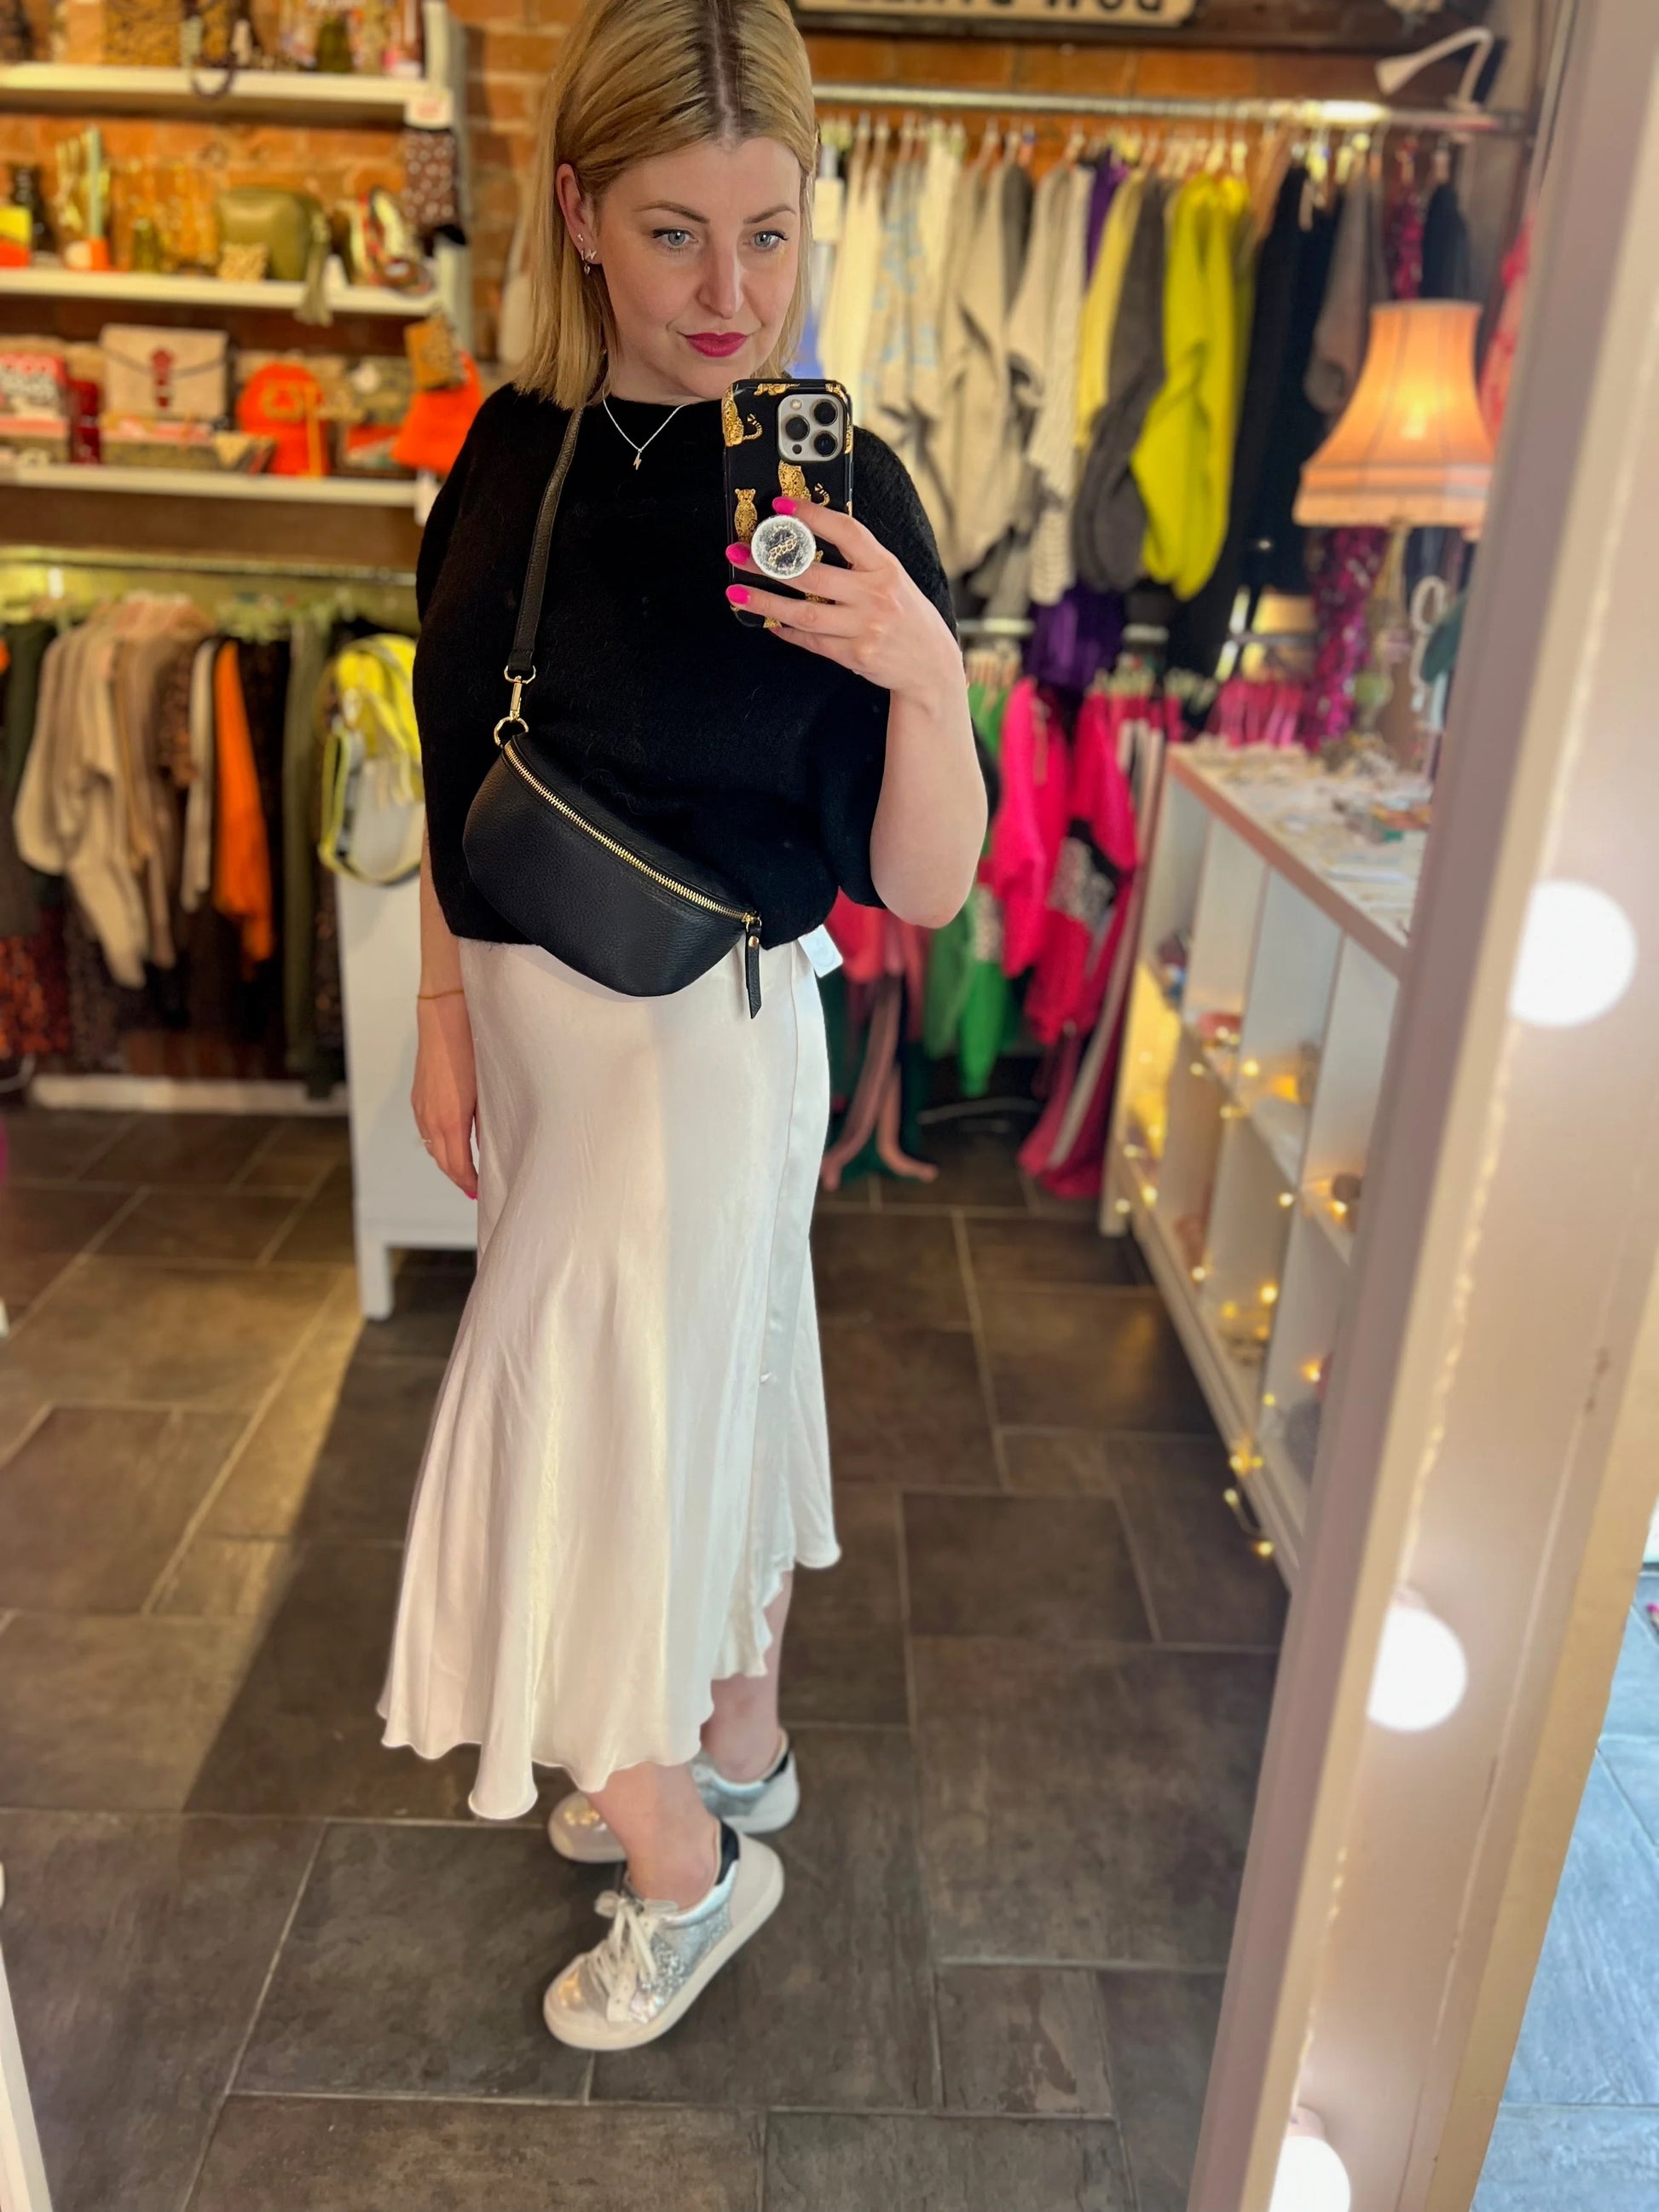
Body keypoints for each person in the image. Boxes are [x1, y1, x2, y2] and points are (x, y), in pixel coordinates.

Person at [380, 0, 985, 2053]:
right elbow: (454, 737)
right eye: (672, 237)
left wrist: (928, 675)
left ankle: (685, 1864)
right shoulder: (512, 449)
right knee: (696, 1409)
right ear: (575, 216)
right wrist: (451, 1010)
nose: (730, 296)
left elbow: (923, 882)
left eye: (769, 234)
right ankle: (736, 1747)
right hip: (548, 1050)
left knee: (547, 1450)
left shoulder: (843, 487)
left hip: (704, 1057)